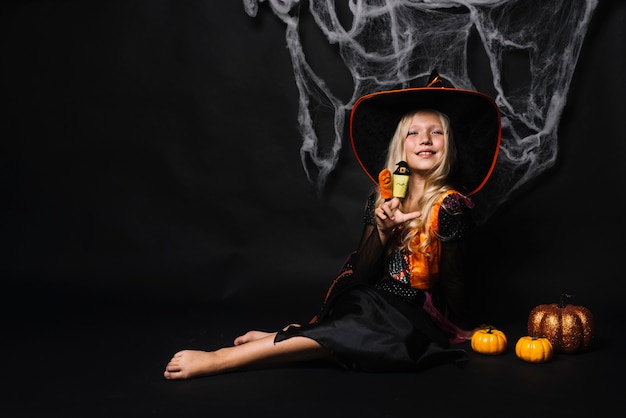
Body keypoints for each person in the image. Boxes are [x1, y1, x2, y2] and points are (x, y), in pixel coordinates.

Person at [164, 72, 501, 379]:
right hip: (369, 297)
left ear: (448, 146)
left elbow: (455, 279)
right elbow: (364, 273)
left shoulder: (450, 205)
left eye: (436, 133)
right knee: (359, 320)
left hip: (412, 314)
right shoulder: (382, 198)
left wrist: (465, 325)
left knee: (374, 333)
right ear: (401, 146)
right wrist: (383, 231)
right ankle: (250, 350)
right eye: (414, 132)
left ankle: (246, 352)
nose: (425, 140)